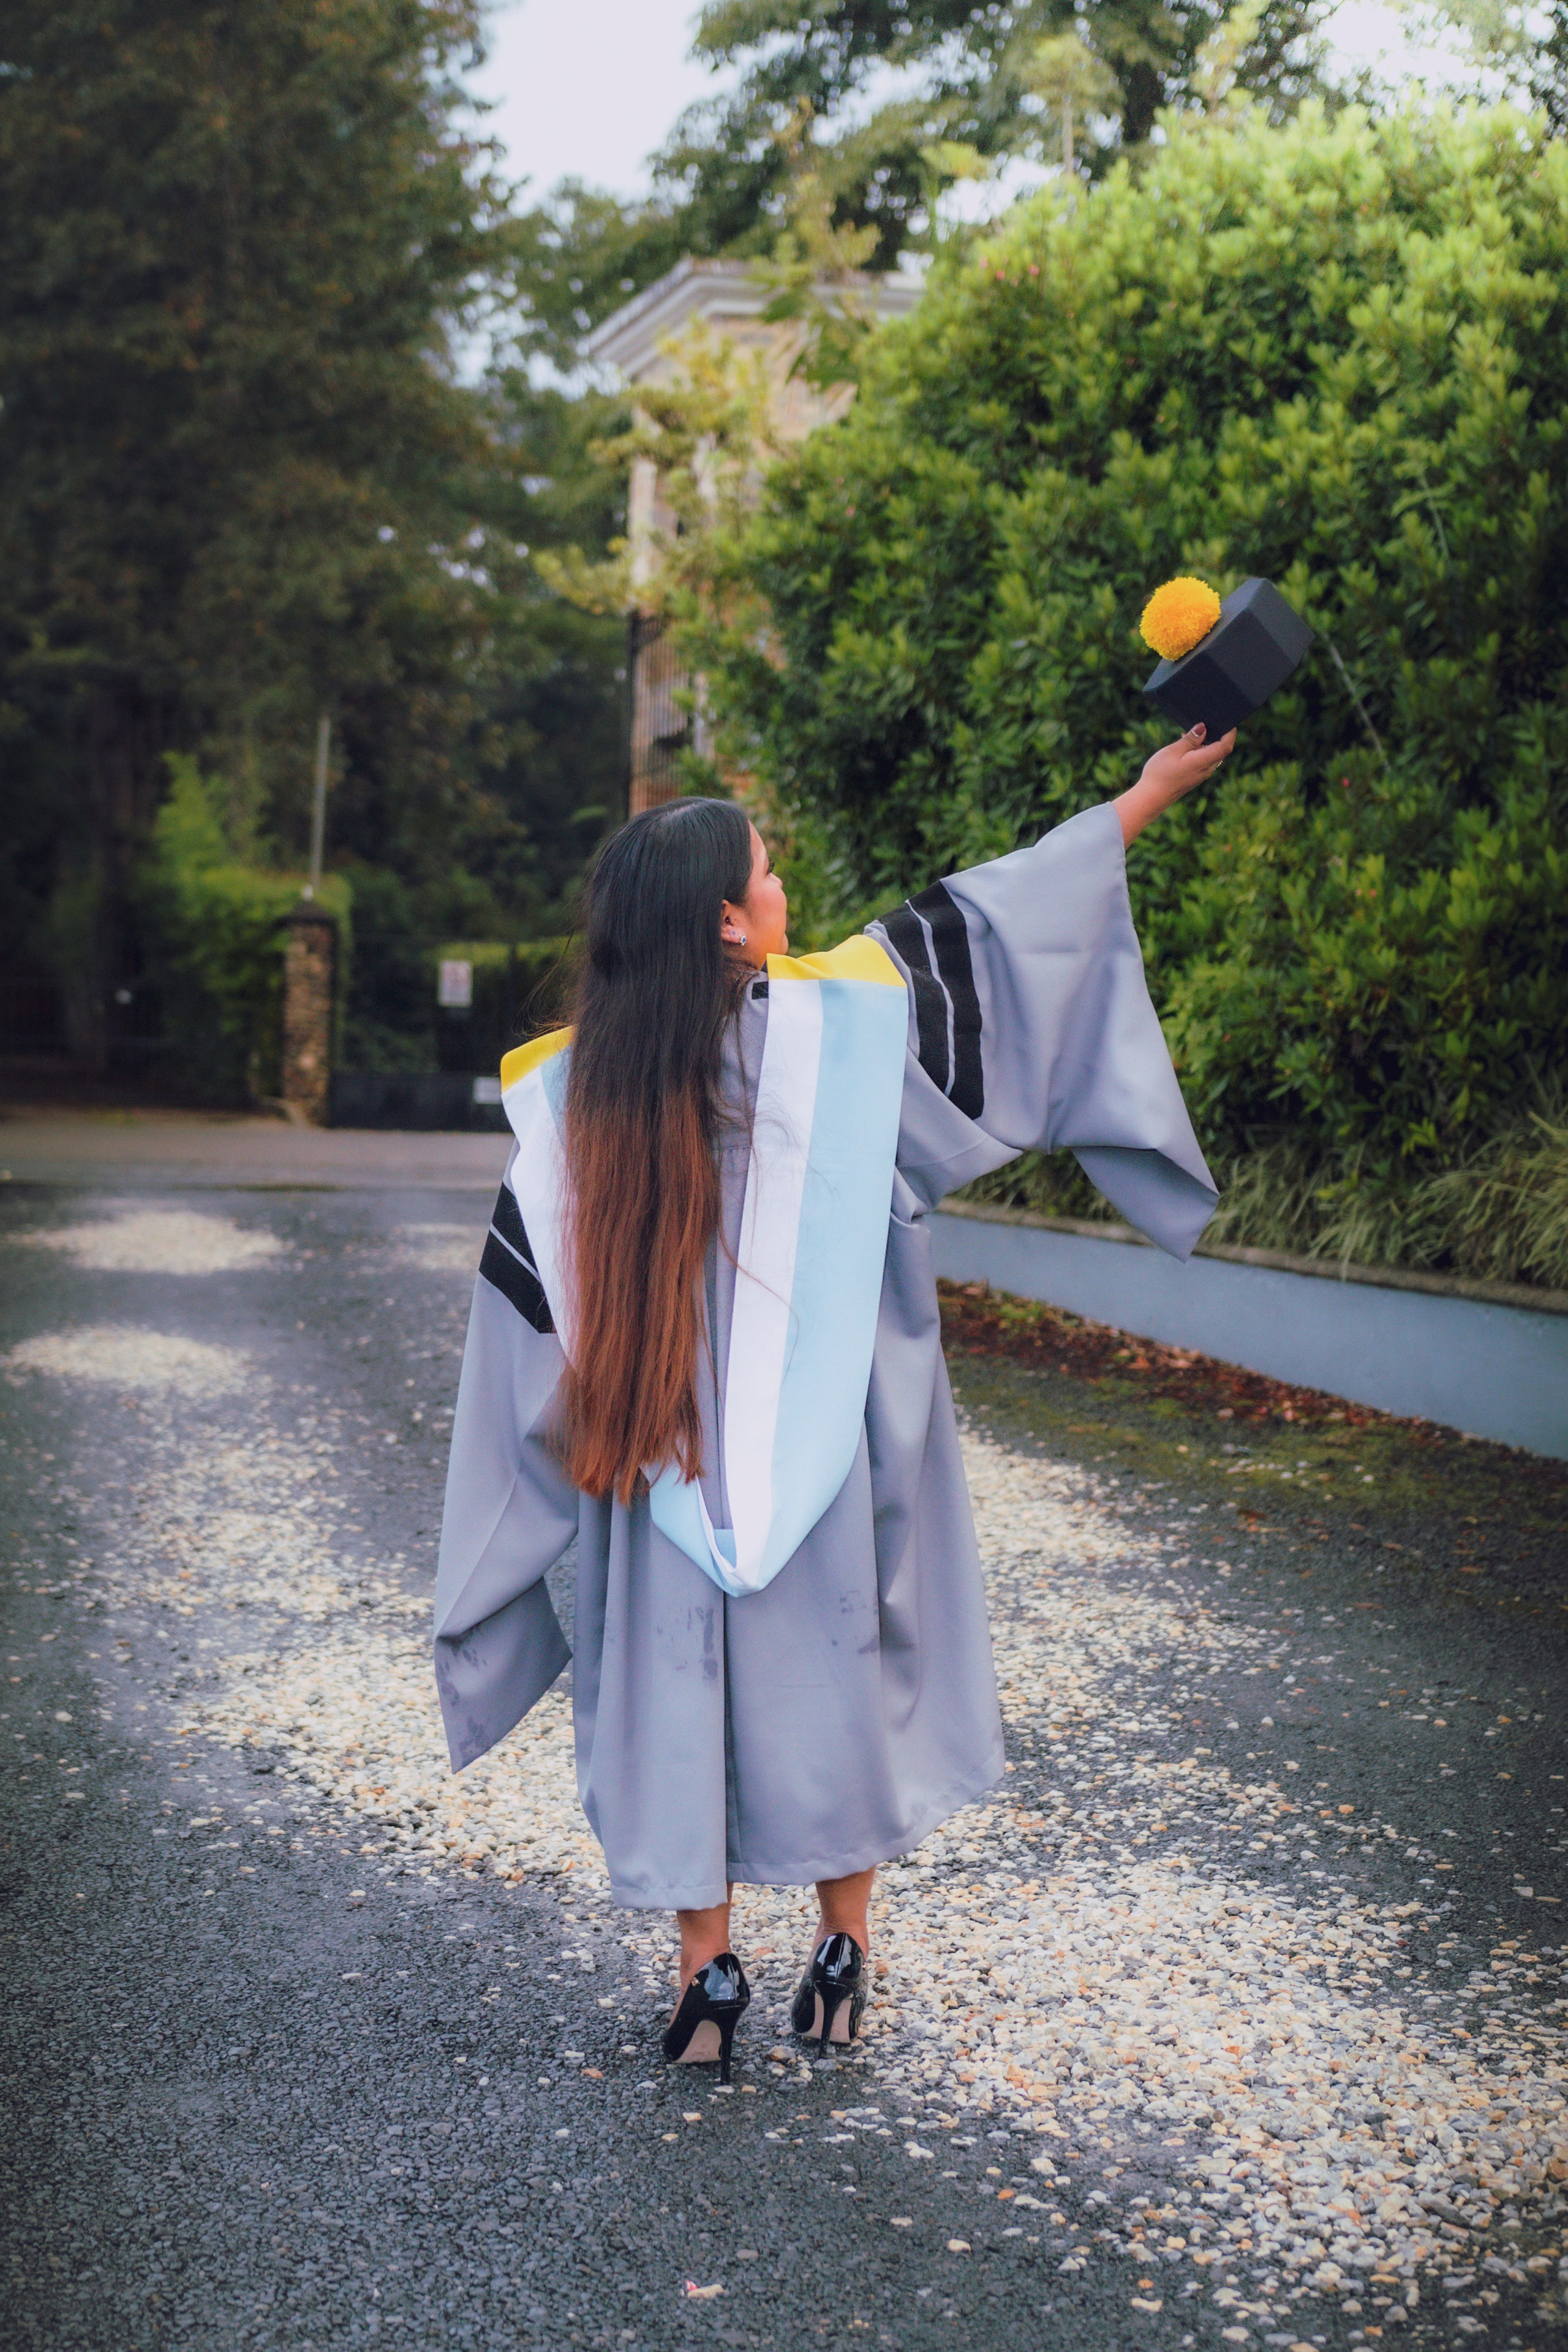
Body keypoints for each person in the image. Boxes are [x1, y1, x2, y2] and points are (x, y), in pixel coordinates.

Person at [432, 720, 1234, 2081]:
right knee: (832, 1681)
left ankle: (706, 1977)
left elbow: (516, 1358)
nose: (786, 890)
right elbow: (999, 925)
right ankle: (843, 1959)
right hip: (827, 1470)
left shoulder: (569, 1108)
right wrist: (1134, 804)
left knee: (675, 1695)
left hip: (653, 1468)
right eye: (768, 875)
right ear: (733, 930)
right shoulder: (847, 1042)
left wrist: (494, 1576)